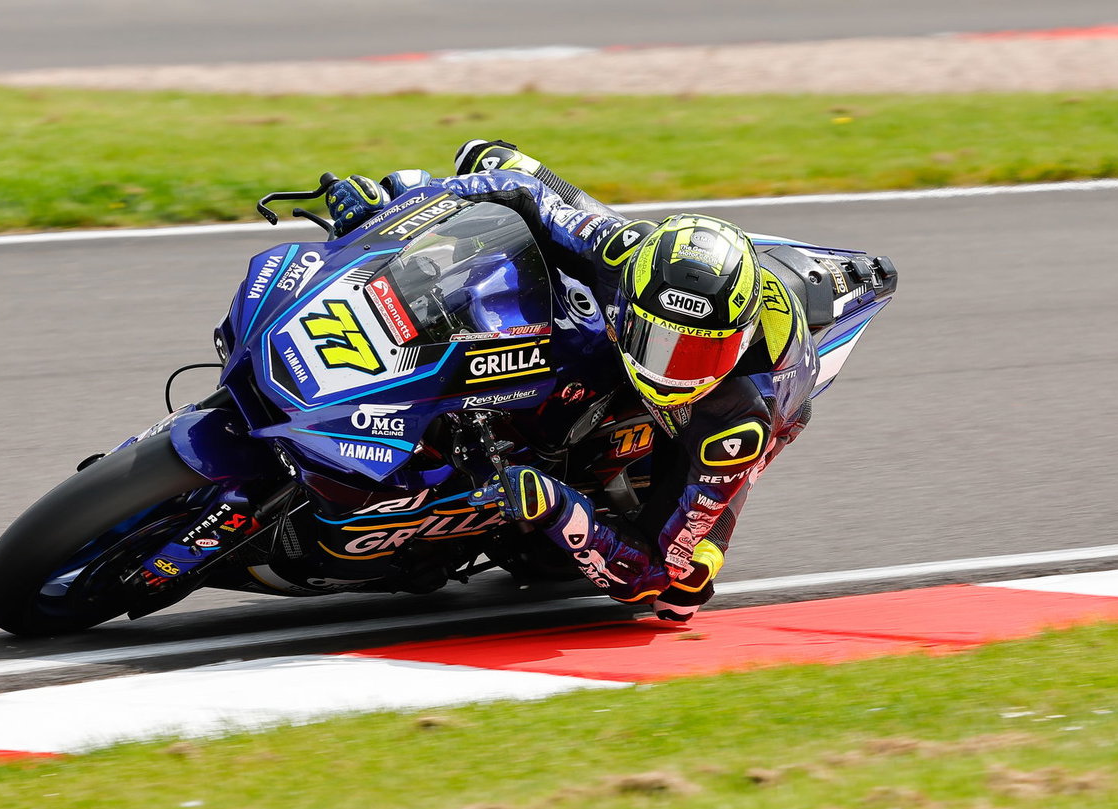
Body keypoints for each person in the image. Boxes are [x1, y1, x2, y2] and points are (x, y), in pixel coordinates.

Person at [323, 141, 880, 622]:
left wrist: (560, 510)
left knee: (679, 590)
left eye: (694, 352)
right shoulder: (624, 252)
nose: (669, 368)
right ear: (636, 302)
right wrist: (399, 202)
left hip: (736, 416)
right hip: (624, 296)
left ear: (732, 343)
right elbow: (524, 192)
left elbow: (650, 570)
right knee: (489, 158)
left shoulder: (738, 421)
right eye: (658, 340)